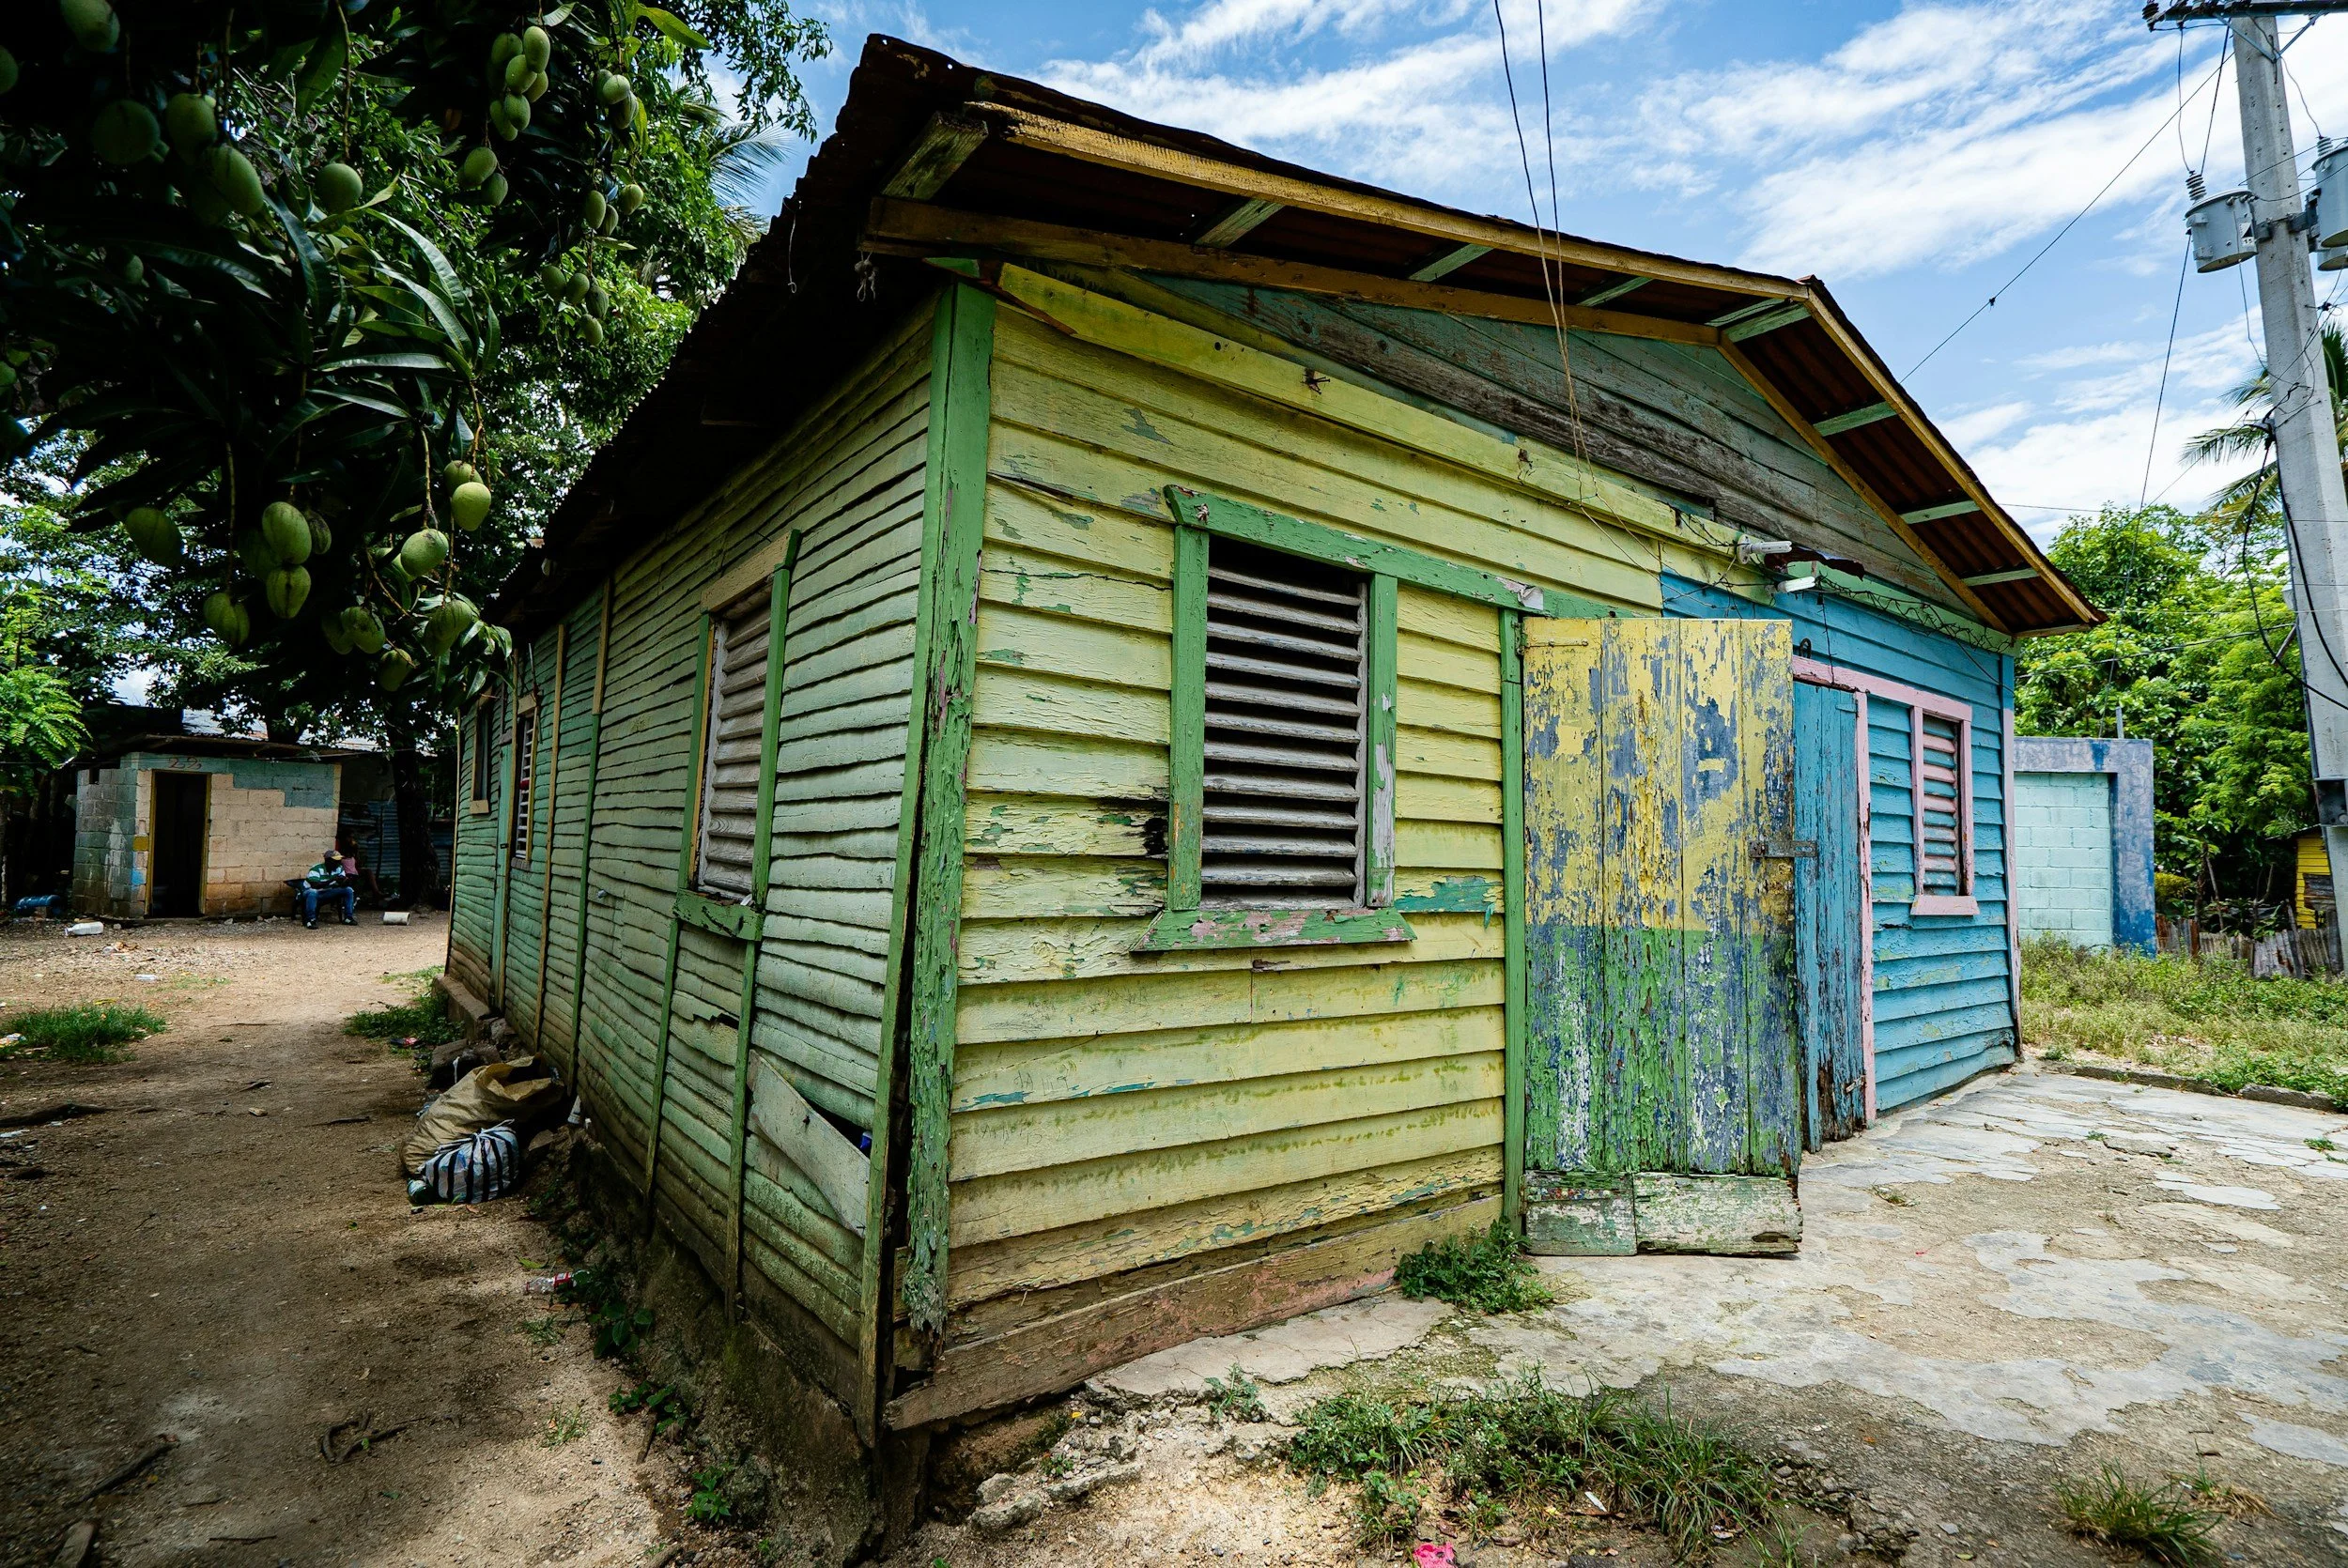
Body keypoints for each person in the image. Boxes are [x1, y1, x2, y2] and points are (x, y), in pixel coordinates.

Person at [296, 845, 356, 929]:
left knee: (348, 890)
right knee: (312, 892)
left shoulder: (339, 868)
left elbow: (342, 884)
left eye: (339, 860)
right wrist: (332, 879)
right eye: (336, 861)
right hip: (310, 893)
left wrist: (346, 881)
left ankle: (348, 918)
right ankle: (310, 920)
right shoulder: (316, 869)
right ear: (327, 860)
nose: (339, 863)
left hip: (327, 892)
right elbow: (315, 886)